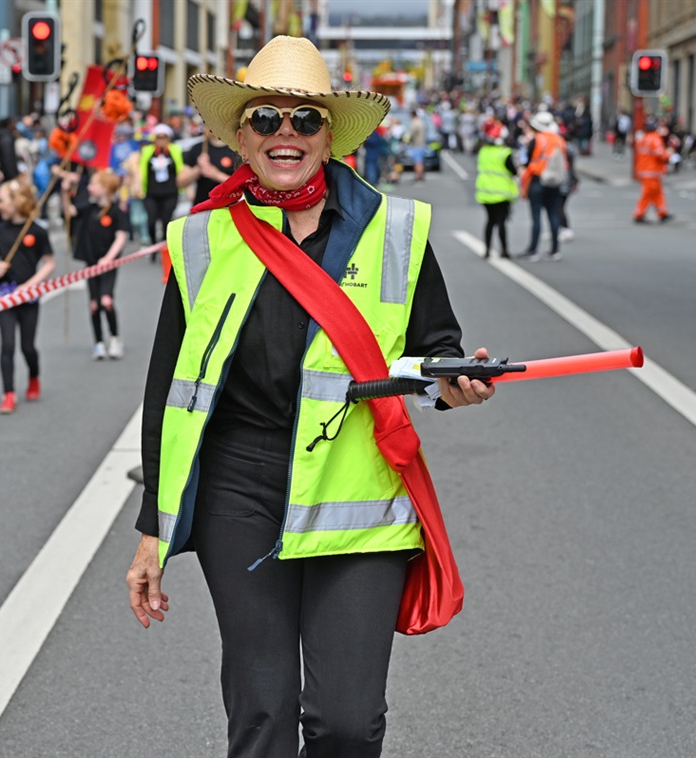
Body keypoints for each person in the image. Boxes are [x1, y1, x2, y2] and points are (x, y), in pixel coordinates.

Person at [125, 36, 494, 757]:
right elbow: (169, 389)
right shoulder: (199, 241)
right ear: (240, 137)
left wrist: (456, 385)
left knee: (346, 723)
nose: (284, 135)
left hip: (357, 487)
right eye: (265, 120)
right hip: (242, 488)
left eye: (302, 122)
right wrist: (153, 530)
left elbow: (435, 351)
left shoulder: (397, 231)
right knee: (261, 713)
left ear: (329, 136)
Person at [0, 179, 55, 414]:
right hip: (5, 295)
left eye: (1, 201)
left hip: (28, 297)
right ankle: (8, 394)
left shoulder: (36, 231)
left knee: (27, 346)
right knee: (7, 345)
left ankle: (34, 376)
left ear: (17, 203)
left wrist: (30, 285)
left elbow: (49, 263)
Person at [72, 168, 130, 360]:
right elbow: (70, 212)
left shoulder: (116, 211)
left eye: (93, 184)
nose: (89, 187)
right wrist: (65, 192)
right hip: (91, 263)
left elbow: (121, 237)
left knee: (106, 300)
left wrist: (108, 258)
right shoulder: (88, 209)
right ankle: (98, 342)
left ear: (105, 188)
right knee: (94, 304)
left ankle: (114, 338)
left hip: (107, 265)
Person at [518, 110, 568, 261]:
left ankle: (533, 250)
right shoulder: (559, 140)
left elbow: (528, 160)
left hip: (538, 180)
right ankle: (555, 250)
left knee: (536, 216)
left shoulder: (538, 139)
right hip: (554, 181)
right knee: (553, 214)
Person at [138, 124, 187, 260]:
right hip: (151, 193)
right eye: (158, 137)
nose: (161, 140)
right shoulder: (147, 151)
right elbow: (140, 168)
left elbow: (181, 169)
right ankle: (154, 246)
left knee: (166, 221)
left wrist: (186, 187)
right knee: (151, 221)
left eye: (164, 137)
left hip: (170, 192)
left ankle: (165, 248)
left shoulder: (175, 150)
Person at [474, 125, 518, 259]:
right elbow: (513, 171)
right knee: (501, 223)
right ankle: (504, 251)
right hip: (501, 194)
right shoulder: (504, 153)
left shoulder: (483, 152)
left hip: (485, 193)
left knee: (489, 222)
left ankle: (487, 250)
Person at [181, 134, 240, 206]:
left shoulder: (235, 149)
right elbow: (180, 182)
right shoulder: (198, 149)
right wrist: (198, 168)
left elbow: (242, 185)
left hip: (230, 207)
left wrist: (217, 175)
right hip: (202, 207)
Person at [633, 120, 673, 224]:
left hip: (644, 170)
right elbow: (660, 155)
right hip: (652, 171)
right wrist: (669, 153)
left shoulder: (642, 139)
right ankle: (639, 213)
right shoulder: (655, 139)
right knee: (648, 193)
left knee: (657, 193)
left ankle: (662, 213)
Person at [406, 108, 427, 182]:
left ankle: (418, 175)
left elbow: (411, 133)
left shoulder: (415, 122)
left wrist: (406, 139)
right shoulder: (421, 122)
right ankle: (421, 174)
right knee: (421, 160)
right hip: (422, 143)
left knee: (417, 161)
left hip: (416, 144)